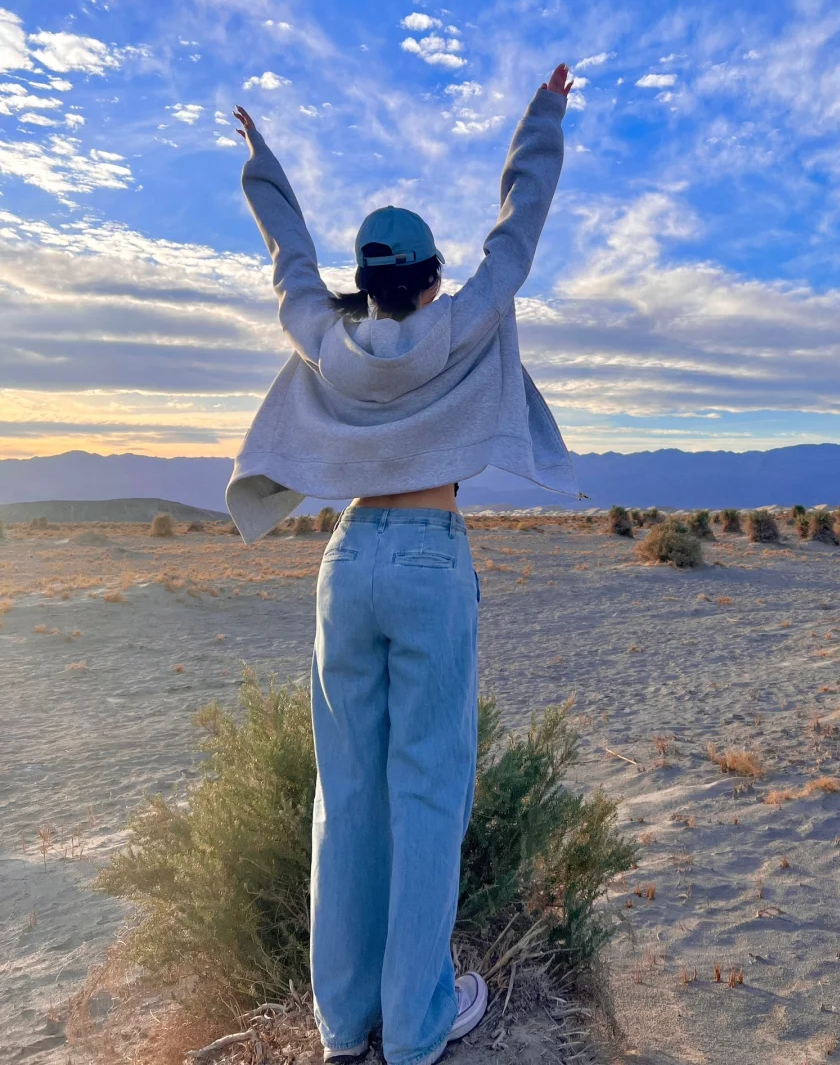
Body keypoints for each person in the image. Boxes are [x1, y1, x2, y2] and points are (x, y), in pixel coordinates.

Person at [229, 64, 578, 1065]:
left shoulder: (328, 342)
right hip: (429, 560)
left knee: (346, 798)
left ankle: (344, 1027)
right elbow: (520, 228)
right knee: (428, 793)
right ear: (427, 277)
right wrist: (543, 112)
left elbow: (289, 265)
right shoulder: (465, 322)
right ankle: (420, 1021)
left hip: (346, 560)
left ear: (367, 282)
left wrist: (263, 164)